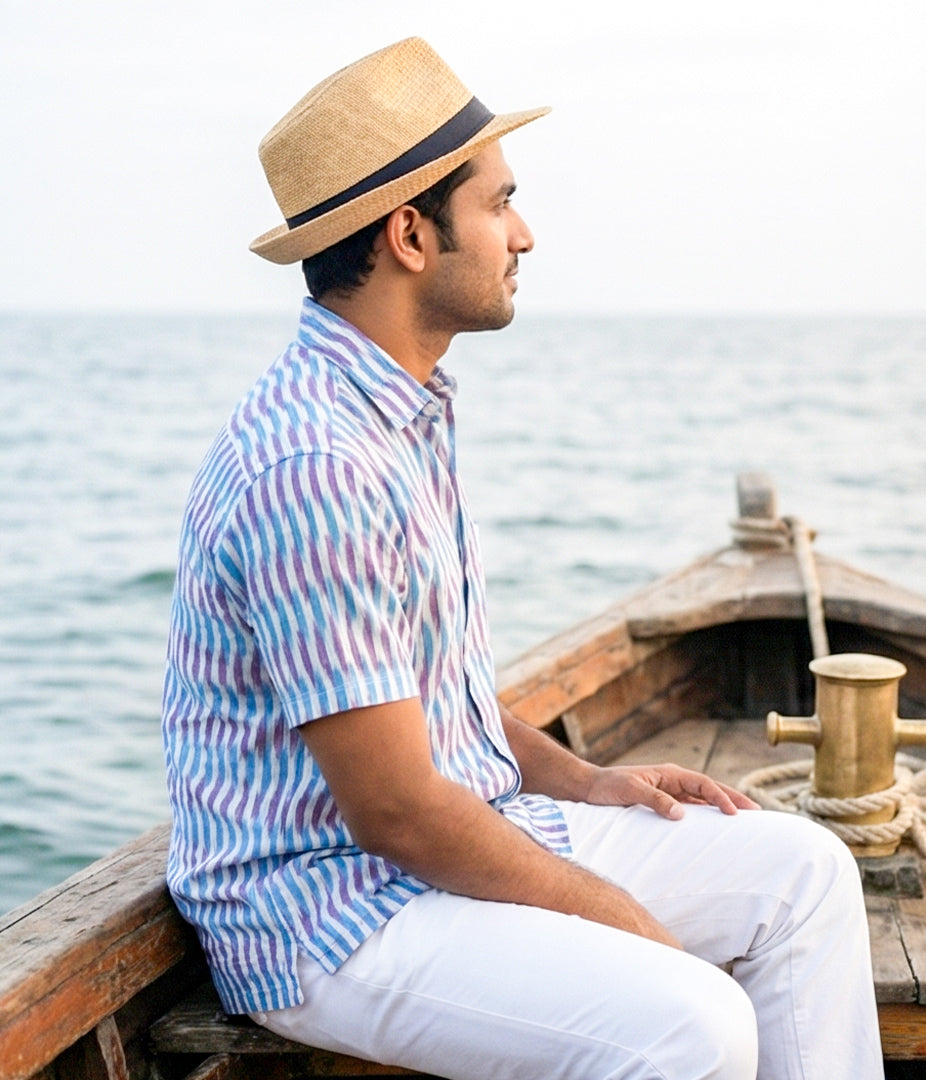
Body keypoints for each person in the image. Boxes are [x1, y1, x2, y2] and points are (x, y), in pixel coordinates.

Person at [162, 36, 884, 1080]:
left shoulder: (398, 415)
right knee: (690, 1021)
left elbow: (430, 705)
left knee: (805, 871)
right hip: (327, 909)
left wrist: (587, 782)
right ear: (410, 236)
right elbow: (397, 808)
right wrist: (618, 919)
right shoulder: (314, 464)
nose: (525, 235)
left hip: (444, 839)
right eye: (499, 204)